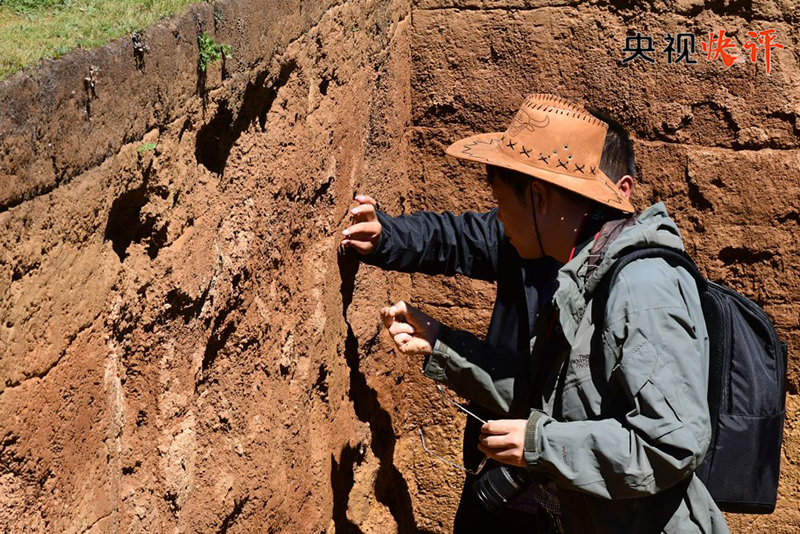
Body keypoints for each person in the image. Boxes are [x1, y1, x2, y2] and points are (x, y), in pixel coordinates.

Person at [376, 94, 731, 533]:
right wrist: (444, 346)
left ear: (540, 198)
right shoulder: (581, 274)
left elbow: (672, 442)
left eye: (501, 203)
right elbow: (550, 397)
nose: (500, 221)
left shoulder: (644, 288)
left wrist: (540, 444)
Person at [341, 94, 635, 531]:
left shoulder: (631, 286)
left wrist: (446, 348)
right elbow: (456, 237)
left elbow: (627, 431)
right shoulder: (529, 236)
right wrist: (387, 235)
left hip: (578, 497)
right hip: (505, 477)